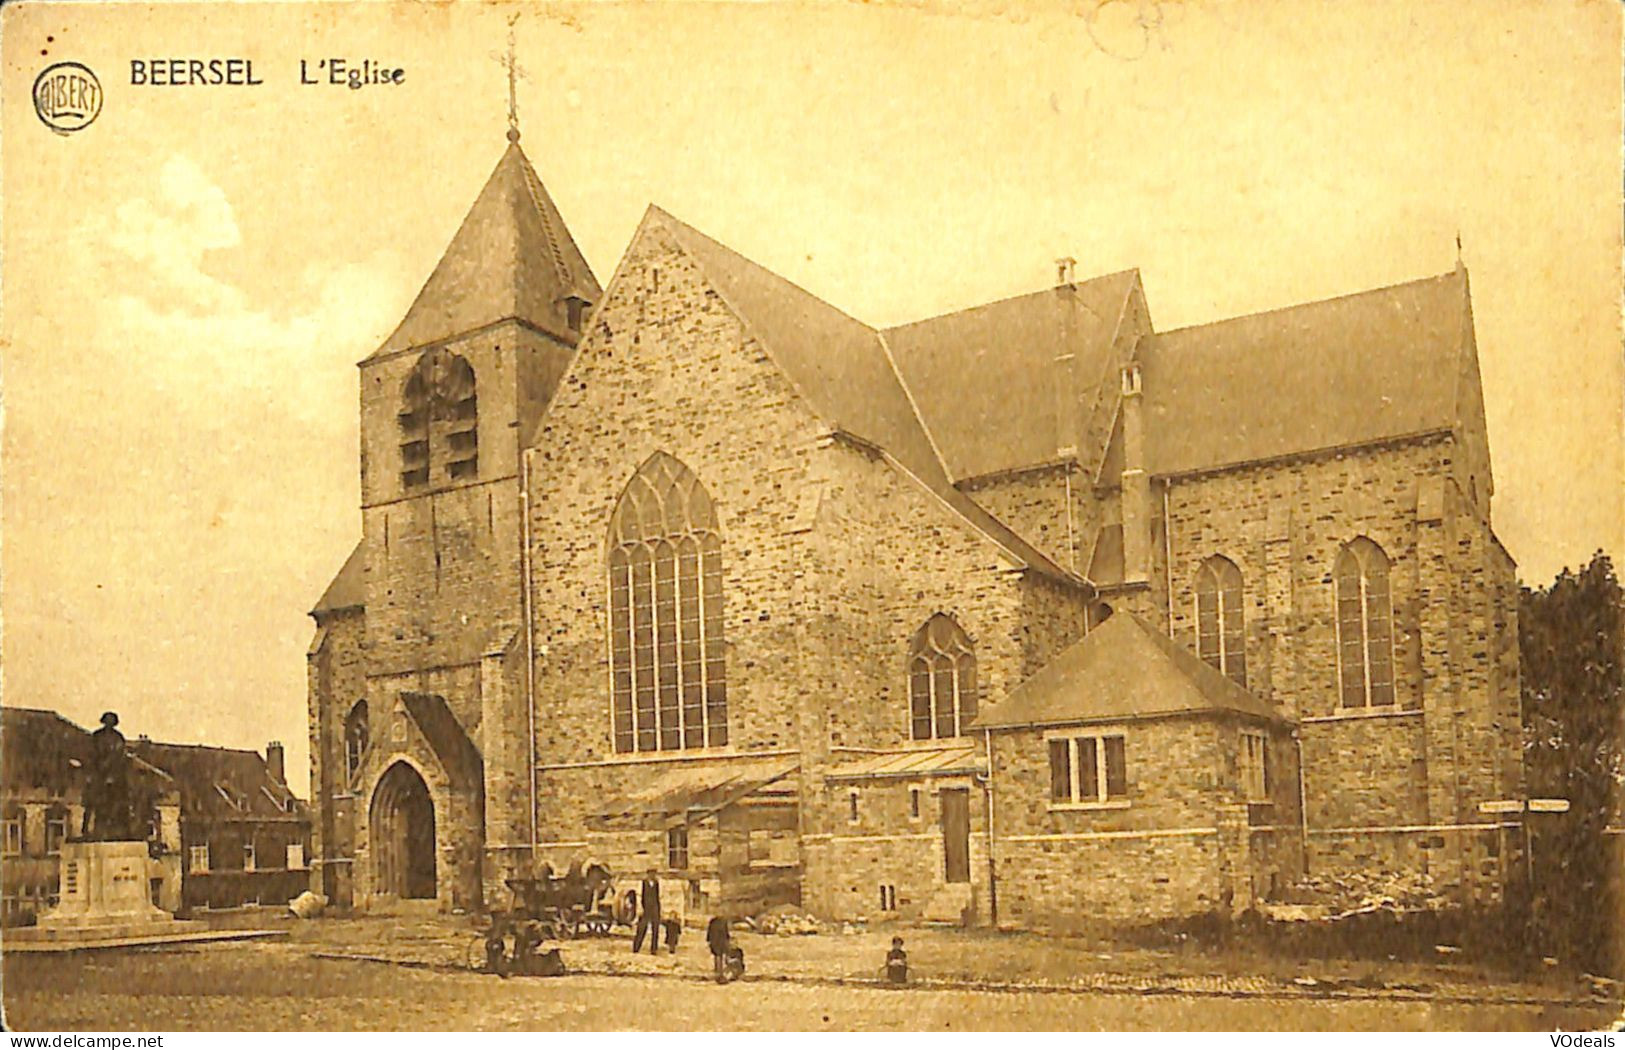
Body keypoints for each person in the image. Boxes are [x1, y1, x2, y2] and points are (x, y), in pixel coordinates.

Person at [631, 870, 661, 954]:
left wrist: (658, 909)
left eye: (654, 874)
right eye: (651, 874)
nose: (652, 875)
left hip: (655, 908)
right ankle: (636, 948)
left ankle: (654, 950)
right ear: (648, 874)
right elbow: (639, 896)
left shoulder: (656, 883)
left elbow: (657, 896)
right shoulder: (643, 883)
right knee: (641, 928)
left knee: (655, 929)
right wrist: (640, 908)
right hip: (645, 908)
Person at [706, 914, 732, 983]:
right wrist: (728, 939)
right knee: (720, 956)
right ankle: (720, 972)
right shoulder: (723, 922)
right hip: (721, 941)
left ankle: (718, 971)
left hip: (714, 941)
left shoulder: (712, 922)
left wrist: (708, 940)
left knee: (717, 956)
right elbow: (726, 933)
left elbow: (709, 932)